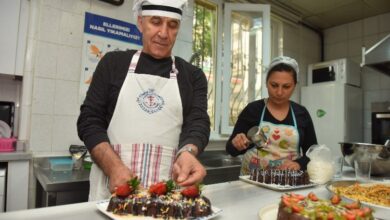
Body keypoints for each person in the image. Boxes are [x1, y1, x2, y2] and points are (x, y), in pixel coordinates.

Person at [77, 0, 210, 201]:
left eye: (172, 25)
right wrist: (114, 167)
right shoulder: (113, 64)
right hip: (112, 193)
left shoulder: (193, 76)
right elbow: (89, 120)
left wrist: (188, 152)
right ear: (140, 23)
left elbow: (198, 122)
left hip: (167, 197)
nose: (164, 33)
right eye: (156, 22)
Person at [225, 56, 317, 175]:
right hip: (252, 182)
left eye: (286, 87)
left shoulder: (301, 113)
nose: (279, 92)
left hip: (288, 182)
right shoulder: (253, 110)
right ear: (266, 83)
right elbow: (231, 150)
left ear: (294, 85)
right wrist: (236, 143)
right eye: (274, 85)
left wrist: (299, 164)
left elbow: (313, 152)